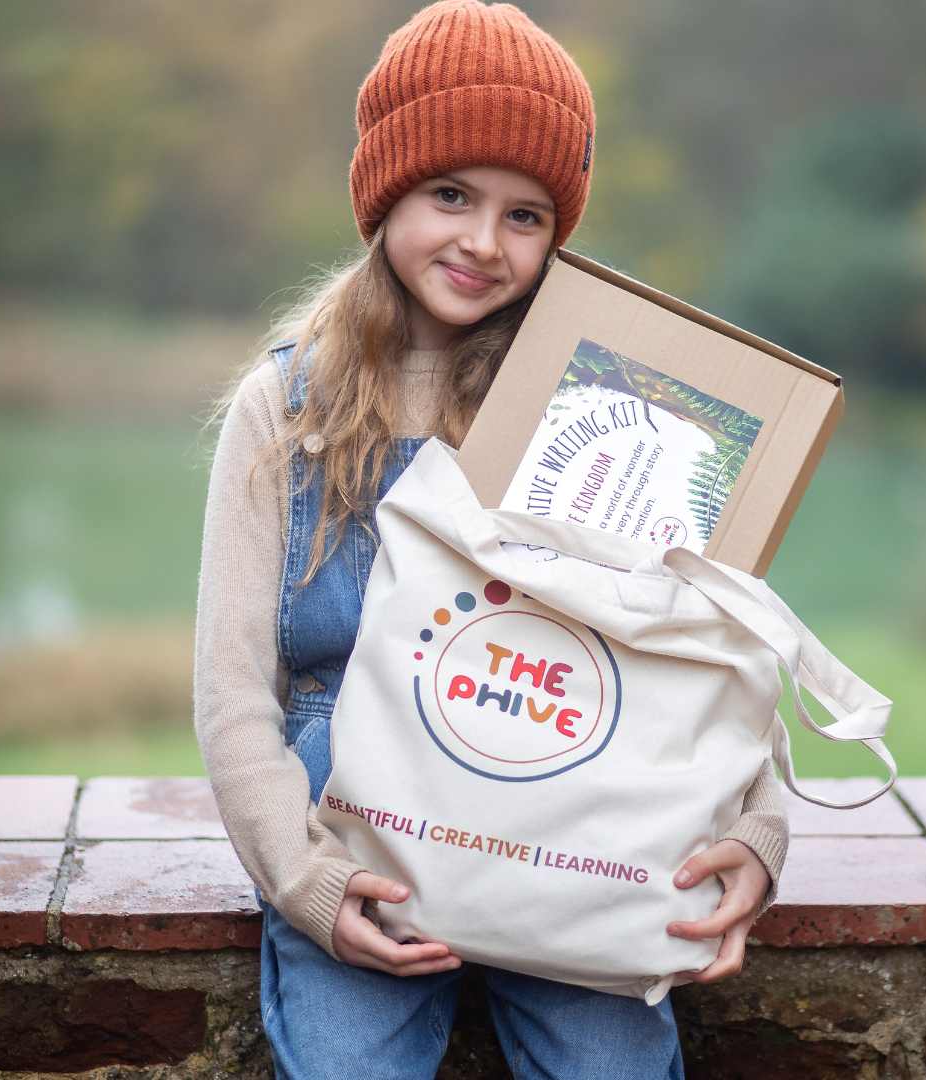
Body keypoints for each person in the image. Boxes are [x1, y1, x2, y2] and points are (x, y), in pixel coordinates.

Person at [194, 2, 789, 1076]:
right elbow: (234, 696)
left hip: (580, 822)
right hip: (352, 834)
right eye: (451, 195)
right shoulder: (285, 408)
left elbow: (708, 642)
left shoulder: (601, 404)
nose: (482, 241)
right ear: (385, 194)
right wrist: (307, 882)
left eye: (526, 215)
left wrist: (758, 834)